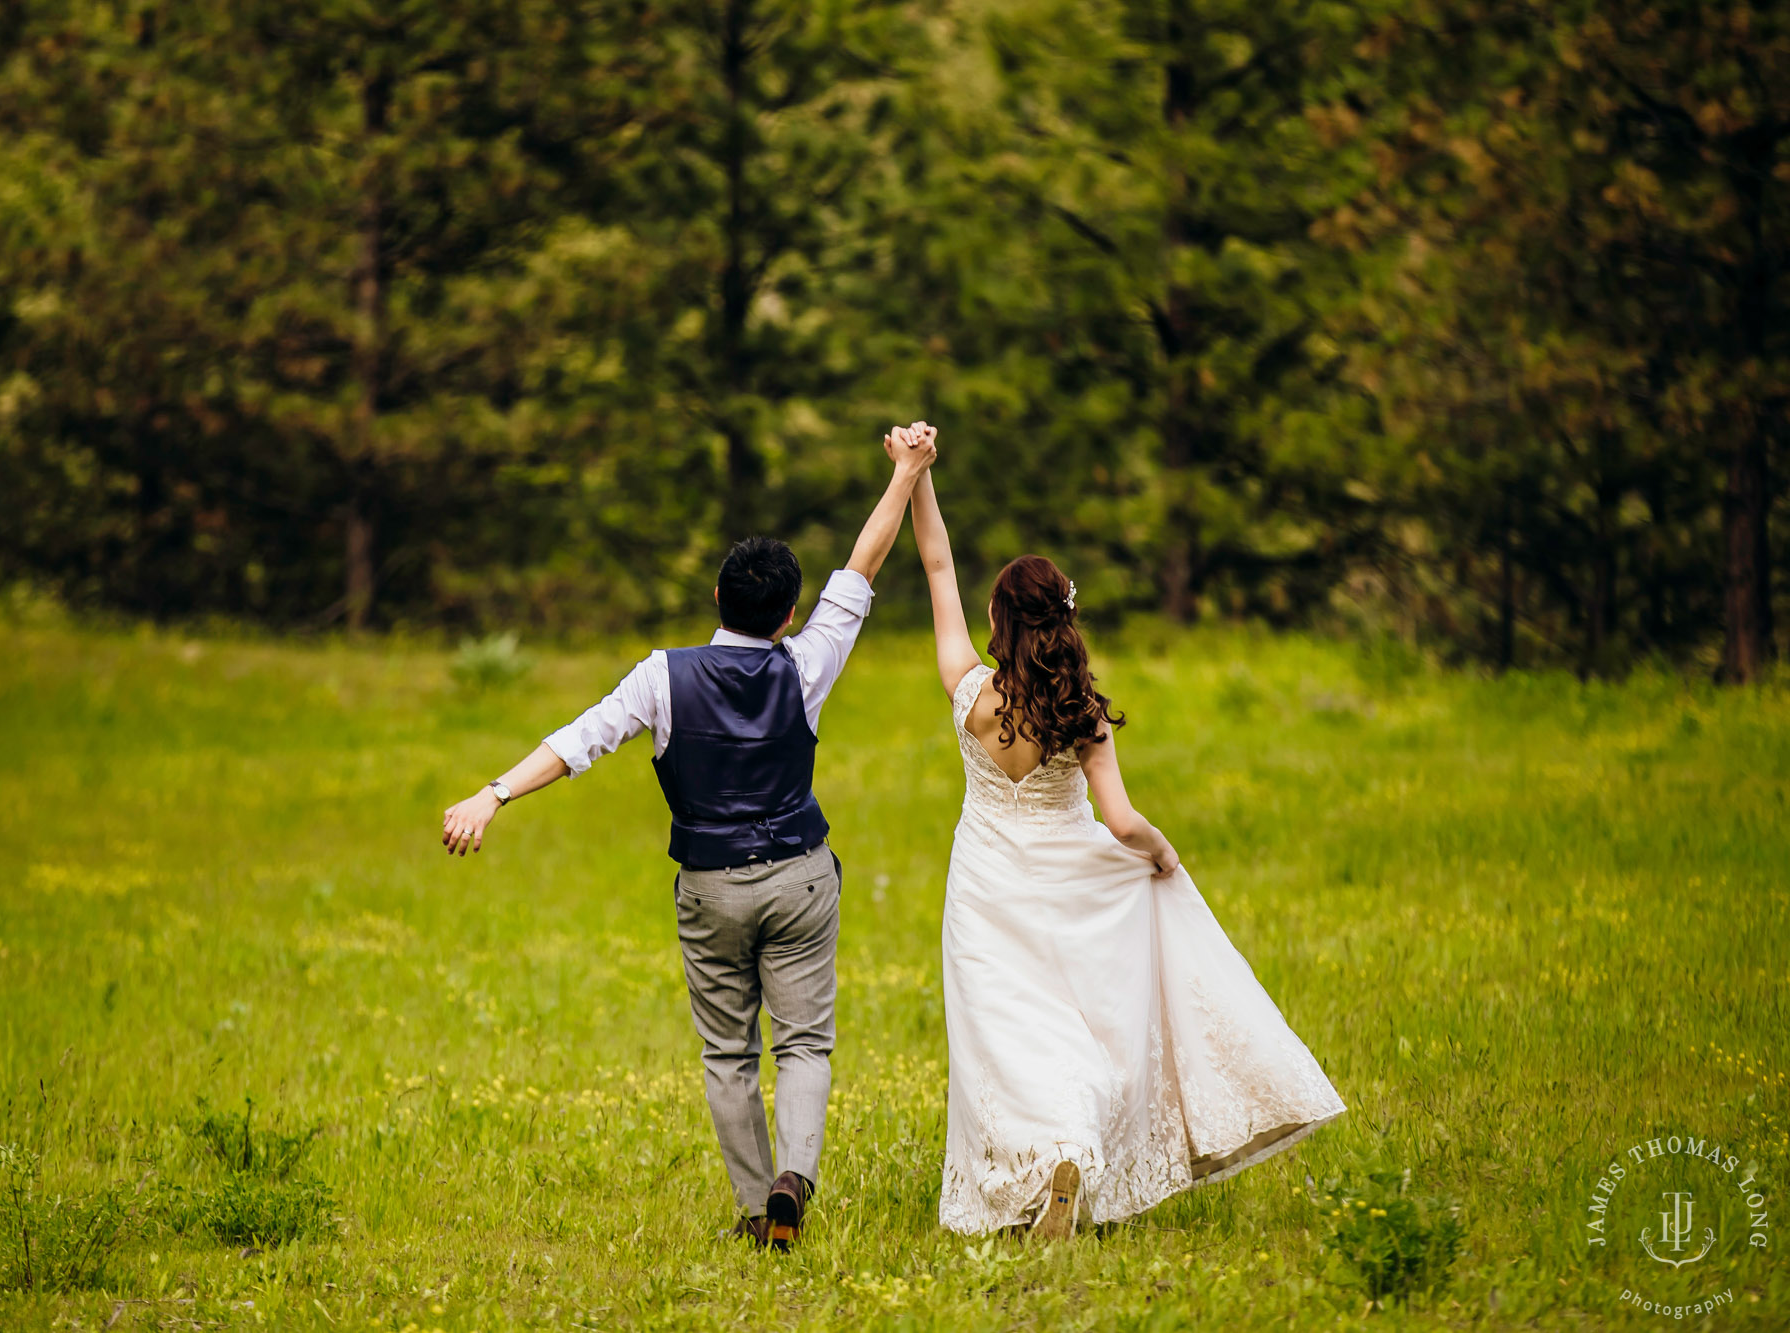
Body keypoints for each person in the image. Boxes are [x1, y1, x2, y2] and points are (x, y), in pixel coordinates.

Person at [440, 425, 940, 1250]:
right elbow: (863, 566)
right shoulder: (806, 663)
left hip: (710, 885)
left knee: (728, 1053)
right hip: (801, 876)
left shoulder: (660, 676)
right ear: (788, 613)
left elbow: (579, 741)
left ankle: (755, 1208)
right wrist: (905, 473)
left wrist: (492, 794)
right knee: (805, 1040)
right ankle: (796, 1178)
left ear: (716, 597)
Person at [901, 426, 1345, 1239]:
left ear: (999, 619)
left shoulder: (970, 691)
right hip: (1072, 881)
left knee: (1004, 1027)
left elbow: (936, 563)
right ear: (1063, 618)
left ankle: (1047, 1155)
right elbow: (1121, 819)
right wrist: (1162, 855)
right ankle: (1072, 1146)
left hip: (986, 884)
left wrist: (916, 473)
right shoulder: (1084, 715)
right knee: (1078, 1023)